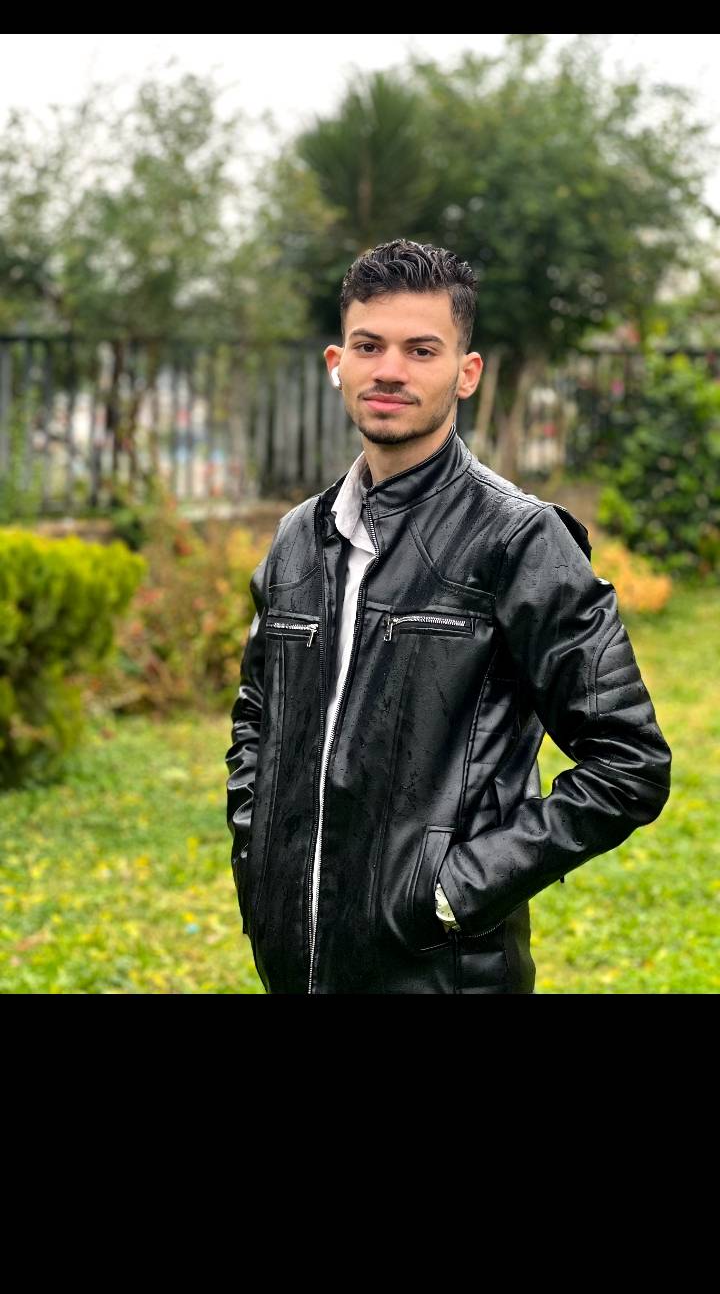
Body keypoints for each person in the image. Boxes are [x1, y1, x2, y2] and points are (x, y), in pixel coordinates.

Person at [225, 240, 672, 994]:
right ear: (338, 362)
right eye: (369, 345)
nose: (389, 370)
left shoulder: (518, 539)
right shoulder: (298, 537)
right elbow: (256, 717)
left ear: (466, 373)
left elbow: (629, 762)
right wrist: (256, 851)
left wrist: (454, 891)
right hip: (294, 961)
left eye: (421, 349)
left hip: (442, 972)